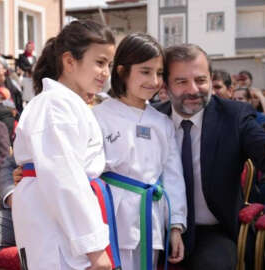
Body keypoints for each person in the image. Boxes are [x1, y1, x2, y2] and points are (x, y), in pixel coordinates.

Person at [155, 43, 265, 270]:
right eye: (181, 81)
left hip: (214, 230)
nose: (193, 89)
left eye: (200, 80)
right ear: (166, 84)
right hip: (157, 228)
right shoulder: (152, 119)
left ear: (211, 79)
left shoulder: (234, 117)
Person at [12, 20, 115, 269]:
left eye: (109, 65)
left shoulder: (65, 103)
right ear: (70, 62)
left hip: (62, 218)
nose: (106, 73)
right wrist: (94, 249)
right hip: (55, 221)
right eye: (99, 62)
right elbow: (64, 176)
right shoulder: (54, 105)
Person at [92, 32, 187, 270]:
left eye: (159, 73)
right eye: (145, 71)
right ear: (123, 71)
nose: (154, 81)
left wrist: (175, 226)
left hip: (151, 218)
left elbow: (172, 176)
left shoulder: (162, 122)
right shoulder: (98, 117)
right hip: (110, 219)